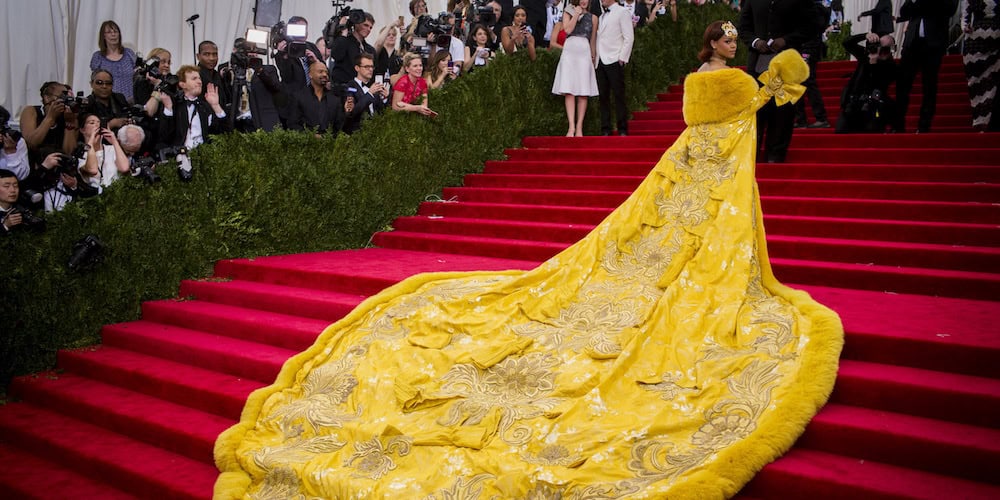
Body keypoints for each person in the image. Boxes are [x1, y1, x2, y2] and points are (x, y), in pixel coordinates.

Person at [214, 24, 843, 498]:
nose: (733, 43)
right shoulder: (724, 81)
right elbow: (736, 116)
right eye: (726, 36)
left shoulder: (697, 82)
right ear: (714, 42)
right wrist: (778, 84)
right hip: (708, 173)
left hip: (696, 169)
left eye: (736, 38)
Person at [740, 0, 825, 162]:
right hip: (757, 66)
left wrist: (786, 40)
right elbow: (744, 27)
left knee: (782, 114)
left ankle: (776, 156)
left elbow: (811, 26)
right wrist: (756, 42)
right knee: (755, 113)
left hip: (787, 65)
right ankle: (752, 156)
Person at [893, 0, 960, 133]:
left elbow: (950, 9)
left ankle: (924, 126)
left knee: (929, 85)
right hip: (912, 42)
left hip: (933, 43)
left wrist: (922, 4)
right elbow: (904, 12)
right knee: (902, 85)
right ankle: (898, 126)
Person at [159, 65, 232, 181]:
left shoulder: (205, 106)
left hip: (204, 158)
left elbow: (225, 133)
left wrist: (216, 106)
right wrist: (168, 107)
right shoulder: (175, 106)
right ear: (182, 84)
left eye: (199, 79)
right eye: (194, 79)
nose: (199, 82)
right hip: (179, 159)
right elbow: (165, 136)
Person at [551, 0, 600, 137]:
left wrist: (593, 56)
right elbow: (567, 30)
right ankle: (571, 127)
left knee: (583, 92)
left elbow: (593, 40)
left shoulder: (594, 18)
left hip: (584, 52)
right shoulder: (568, 12)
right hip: (570, 51)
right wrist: (576, 14)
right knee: (569, 90)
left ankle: (579, 127)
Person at [835, 32, 898, 133]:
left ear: (892, 50)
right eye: (880, 47)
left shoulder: (891, 67)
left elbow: (878, 85)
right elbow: (846, 43)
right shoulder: (865, 55)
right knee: (840, 130)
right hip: (854, 103)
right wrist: (865, 36)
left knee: (871, 129)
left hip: (874, 106)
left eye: (886, 49)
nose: (881, 52)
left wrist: (873, 64)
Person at [596, 0, 635, 136]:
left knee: (619, 95)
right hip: (601, 60)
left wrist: (622, 58)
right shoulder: (601, 16)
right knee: (603, 96)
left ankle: (622, 128)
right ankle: (605, 128)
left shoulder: (622, 12)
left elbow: (629, 37)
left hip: (615, 59)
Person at [19, 82, 80, 167]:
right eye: (62, 97)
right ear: (47, 98)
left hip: (60, 167)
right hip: (35, 166)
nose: (65, 101)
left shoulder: (68, 116)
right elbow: (31, 143)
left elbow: (69, 152)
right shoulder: (31, 111)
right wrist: (50, 117)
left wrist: (69, 122)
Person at [961, 0, 999, 131]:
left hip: (997, 41)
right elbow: (964, 17)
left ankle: (990, 122)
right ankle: (979, 120)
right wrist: (965, 27)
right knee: (976, 82)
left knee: (994, 81)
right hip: (975, 43)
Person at [286, 61, 351, 136]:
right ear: (310, 74)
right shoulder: (298, 97)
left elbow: (339, 127)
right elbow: (293, 124)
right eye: (320, 72)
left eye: (326, 72)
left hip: (329, 143)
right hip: (305, 144)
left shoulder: (335, 99)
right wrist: (311, 136)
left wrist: (346, 113)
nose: (324, 74)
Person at [76, 112, 130, 189]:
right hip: (97, 198)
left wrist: (114, 142)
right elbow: (93, 170)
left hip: (118, 193)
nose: (97, 125)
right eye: (92, 123)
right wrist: (90, 142)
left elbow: (124, 168)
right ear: (82, 130)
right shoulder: (81, 156)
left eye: (99, 123)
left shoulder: (112, 149)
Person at [89, 21, 136, 102]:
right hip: (108, 102)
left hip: (130, 100)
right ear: (103, 36)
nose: (113, 34)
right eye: (109, 32)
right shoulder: (98, 57)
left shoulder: (129, 53)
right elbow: (96, 82)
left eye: (115, 31)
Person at [344, 53, 390, 134]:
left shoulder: (373, 87)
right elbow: (352, 112)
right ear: (357, 68)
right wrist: (369, 94)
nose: (371, 69)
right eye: (366, 67)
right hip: (357, 133)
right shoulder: (350, 87)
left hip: (376, 132)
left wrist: (385, 99)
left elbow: (382, 113)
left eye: (372, 67)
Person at [330, 12, 377, 84]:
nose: (368, 29)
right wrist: (343, 31)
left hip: (364, 91)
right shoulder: (344, 41)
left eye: (370, 27)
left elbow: (373, 73)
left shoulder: (370, 50)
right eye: (366, 25)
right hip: (344, 88)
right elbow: (336, 55)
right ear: (356, 24)